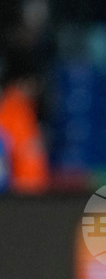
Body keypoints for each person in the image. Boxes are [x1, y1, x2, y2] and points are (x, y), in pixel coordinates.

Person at [0, 53, 49, 194]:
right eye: (31, 83)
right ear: (21, 82)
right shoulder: (9, 108)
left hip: (36, 184)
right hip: (17, 188)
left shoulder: (26, 108)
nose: (35, 89)